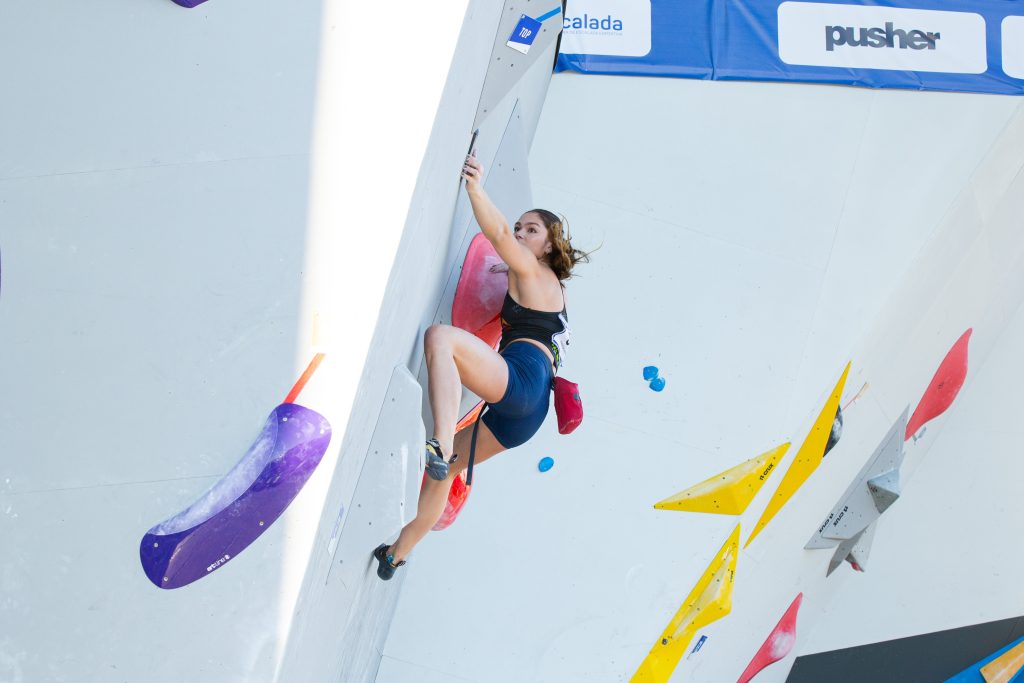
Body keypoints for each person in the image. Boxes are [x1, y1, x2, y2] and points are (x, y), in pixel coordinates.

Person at [374, 151, 590, 579]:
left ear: (548, 246)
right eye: (519, 227)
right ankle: (396, 555)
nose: (520, 233)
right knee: (446, 472)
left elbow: (496, 235)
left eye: (532, 229)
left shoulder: (532, 269)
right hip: (530, 413)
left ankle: (442, 441)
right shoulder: (554, 291)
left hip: (523, 380)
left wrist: (474, 186)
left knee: (441, 339)